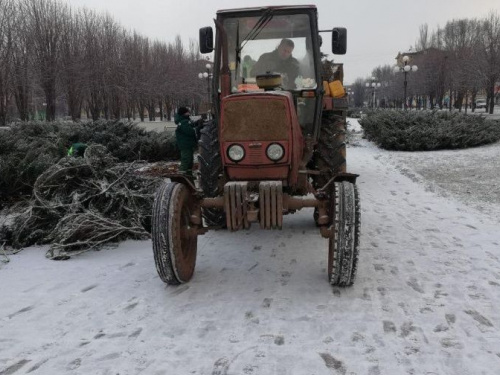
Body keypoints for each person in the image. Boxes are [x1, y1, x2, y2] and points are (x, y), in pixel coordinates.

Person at [174, 107, 203, 177]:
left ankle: (189, 175)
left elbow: (191, 124)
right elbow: (190, 131)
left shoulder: (185, 120)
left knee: (190, 161)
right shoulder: (183, 122)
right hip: (185, 145)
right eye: (187, 112)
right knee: (186, 160)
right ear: (184, 113)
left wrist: (197, 123)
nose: (189, 113)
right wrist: (198, 128)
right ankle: (182, 175)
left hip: (188, 144)